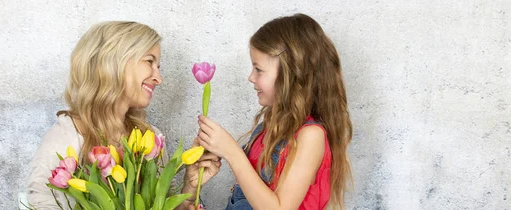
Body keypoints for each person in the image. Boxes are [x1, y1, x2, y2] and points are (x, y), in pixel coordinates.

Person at [26, 21, 220, 210]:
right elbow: (42, 205)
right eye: (149, 61)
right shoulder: (68, 135)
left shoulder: (149, 137)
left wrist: (190, 187)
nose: (158, 79)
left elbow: (158, 205)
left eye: (158, 66)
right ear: (114, 61)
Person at [195, 13, 353, 210]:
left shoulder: (311, 136)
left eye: (258, 70)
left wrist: (233, 153)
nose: (251, 77)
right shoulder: (267, 128)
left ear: (291, 74)